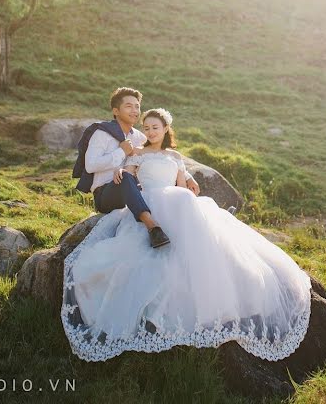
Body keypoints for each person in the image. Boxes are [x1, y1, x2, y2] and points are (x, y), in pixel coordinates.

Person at [62, 107, 311, 362]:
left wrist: (189, 184)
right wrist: (120, 171)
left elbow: (181, 184)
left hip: (175, 200)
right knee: (167, 215)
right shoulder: (138, 153)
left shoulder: (175, 156)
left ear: (165, 129)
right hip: (148, 201)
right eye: (146, 128)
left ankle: (190, 254)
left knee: (185, 200)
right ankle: (154, 230)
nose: (150, 131)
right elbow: (129, 177)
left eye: (155, 127)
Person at [81, 87, 200, 249]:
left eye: (137, 106)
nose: (135, 110)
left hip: (131, 193)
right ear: (116, 111)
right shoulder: (102, 134)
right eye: (129, 106)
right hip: (106, 193)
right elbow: (90, 165)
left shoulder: (138, 137)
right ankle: (152, 226)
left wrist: (187, 176)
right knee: (127, 177)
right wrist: (121, 151)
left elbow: (158, 155)